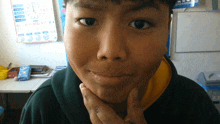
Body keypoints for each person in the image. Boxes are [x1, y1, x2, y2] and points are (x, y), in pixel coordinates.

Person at [19, 0, 220, 123]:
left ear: (167, 28)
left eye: (140, 24)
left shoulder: (194, 105)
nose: (110, 51)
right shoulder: (43, 107)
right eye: (88, 21)